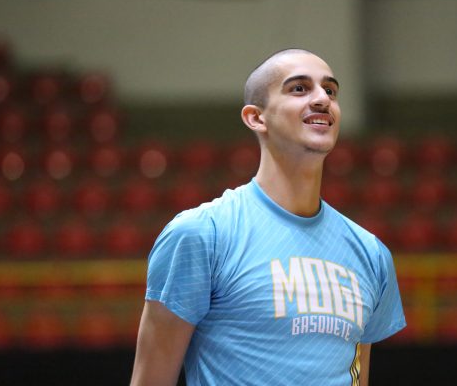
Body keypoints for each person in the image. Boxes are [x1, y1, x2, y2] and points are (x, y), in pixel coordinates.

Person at [130, 48, 406, 386]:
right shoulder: (201, 234)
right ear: (256, 118)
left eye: (330, 90)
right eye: (299, 88)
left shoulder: (371, 253)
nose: (322, 99)